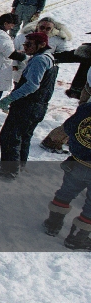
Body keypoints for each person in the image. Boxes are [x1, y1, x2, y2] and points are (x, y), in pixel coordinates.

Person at [0, 32, 58, 180]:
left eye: (29, 45)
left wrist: (10, 98)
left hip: (28, 106)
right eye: (24, 44)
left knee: (9, 137)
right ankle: (18, 164)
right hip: (38, 106)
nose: (25, 47)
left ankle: (9, 170)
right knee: (24, 136)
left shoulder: (39, 60)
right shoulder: (49, 58)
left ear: (42, 45)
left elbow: (32, 85)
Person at [42, 102, 91, 249]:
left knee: (66, 192)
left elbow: (69, 127)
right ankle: (77, 239)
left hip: (78, 163)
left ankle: (52, 224)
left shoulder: (86, 108)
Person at [12, 17, 72, 84]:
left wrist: (50, 61)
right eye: (42, 27)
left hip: (43, 73)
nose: (44, 30)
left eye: (48, 28)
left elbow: (64, 55)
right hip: (22, 70)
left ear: (52, 29)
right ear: (37, 26)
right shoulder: (23, 37)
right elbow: (13, 50)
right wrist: (14, 64)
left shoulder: (57, 40)